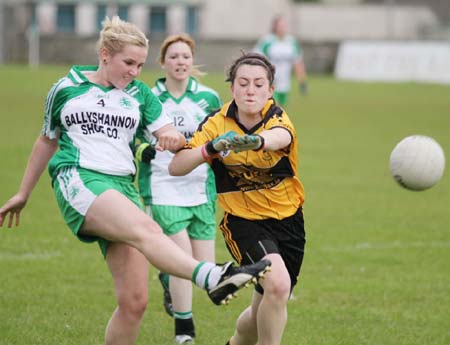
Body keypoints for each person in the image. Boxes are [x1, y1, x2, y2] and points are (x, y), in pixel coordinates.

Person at [0, 17, 271, 345]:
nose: (134, 71)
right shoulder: (65, 88)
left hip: (123, 188)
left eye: (140, 65)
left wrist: (171, 138)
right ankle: (212, 276)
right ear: (104, 55)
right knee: (150, 230)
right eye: (128, 62)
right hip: (80, 178)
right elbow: (47, 140)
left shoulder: (141, 94)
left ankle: (210, 277)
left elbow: (167, 130)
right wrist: (23, 193)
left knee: (134, 303)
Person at [169, 52, 306, 345]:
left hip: (289, 221)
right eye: (243, 83)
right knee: (279, 286)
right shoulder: (217, 122)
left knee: (262, 309)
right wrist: (209, 149)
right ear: (232, 88)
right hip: (244, 223)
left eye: (259, 84)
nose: (250, 90)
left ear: (270, 90)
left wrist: (257, 141)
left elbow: (281, 137)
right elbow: (176, 166)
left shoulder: (276, 116)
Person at [135, 33, 222, 344]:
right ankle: (184, 331)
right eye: (173, 57)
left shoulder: (209, 99)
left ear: (192, 60)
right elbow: (131, 136)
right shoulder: (147, 96)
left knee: (205, 273)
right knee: (184, 258)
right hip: (162, 188)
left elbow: (217, 139)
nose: (180, 62)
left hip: (200, 189)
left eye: (185, 56)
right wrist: (142, 148)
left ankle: (166, 273)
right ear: (162, 62)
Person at [254, 14, 308, 107]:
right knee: (273, 107)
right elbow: (256, 59)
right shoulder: (267, 41)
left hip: (285, 82)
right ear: (274, 26)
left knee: (280, 111)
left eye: (284, 25)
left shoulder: (292, 42)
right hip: (271, 81)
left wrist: (302, 81)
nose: (282, 28)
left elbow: (298, 63)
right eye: (280, 25)